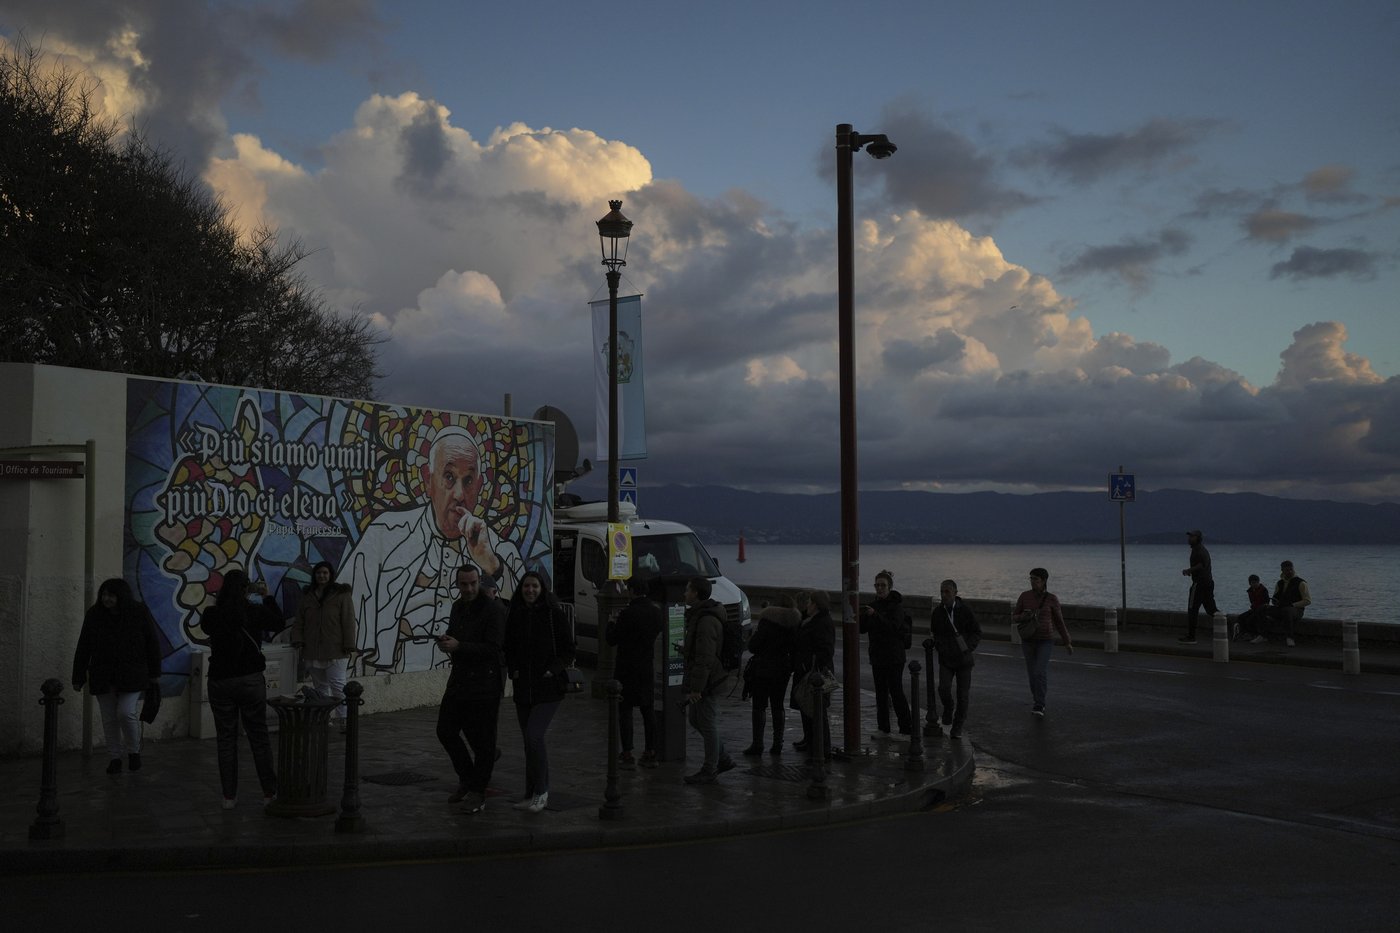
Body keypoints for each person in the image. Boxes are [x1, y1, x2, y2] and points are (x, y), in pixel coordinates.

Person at [344, 426, 526, 674]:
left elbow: (525, 612)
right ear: (428, 480)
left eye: (469, 480)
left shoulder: (499, 550)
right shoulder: (384, 535)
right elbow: (348, 609)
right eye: (449, 477)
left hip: (466, 668)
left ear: (480, 486)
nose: (459, 495)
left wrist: (491, 563)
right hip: (391, 669)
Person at [201, 569, 282, 809]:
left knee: (226, 740)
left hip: (220, 680)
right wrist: (267, 596)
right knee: (259, 737)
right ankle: (269, 793)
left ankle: (229, 797)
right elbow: (277, 621)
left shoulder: (211, 614)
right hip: (249, 680)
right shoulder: (254, 612)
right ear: (247, 589)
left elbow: (207, 629)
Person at [434, 564, 506, 813]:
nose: (469, 588)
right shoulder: (457, 607)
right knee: (445, 730)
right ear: (457, 584)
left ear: (479, 582)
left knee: (484, 741)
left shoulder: (493, 609)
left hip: (485, 683)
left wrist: (460, 646)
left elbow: (494, 649)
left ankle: (477, 790)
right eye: (464, 584)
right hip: (460, 679)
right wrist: (447, 641)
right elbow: (457, 635)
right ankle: (467, 778)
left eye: (473, 583)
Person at [71, 578, 161, 774]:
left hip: (132, 672)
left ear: (121, 596)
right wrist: (78, 675)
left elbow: (152, 642)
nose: (106, 599)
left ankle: (133, 752)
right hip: (104, 673)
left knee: (126, 712)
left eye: (111, 595)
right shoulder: (94, 615)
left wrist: (154, 672)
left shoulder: (138, 612)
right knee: (109, 717)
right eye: (104, 594)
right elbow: (84, 645)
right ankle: (115, 757)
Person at [503, 570, 574, 813]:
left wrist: (552, 670)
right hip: (524, 687)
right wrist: (513, 670)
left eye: (534, 586)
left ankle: (542, 792)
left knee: (534, 736)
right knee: (528, 742)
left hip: (548, 689)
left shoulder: (554, 615)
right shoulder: (515, 614)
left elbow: (568, 649)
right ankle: (530, 792)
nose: (530, 590)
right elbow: (508, 647)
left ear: (542, 588)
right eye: (526, 586)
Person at [681, 576, 736, 784]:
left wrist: (697, 688)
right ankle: (722, 758)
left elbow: (705, 657)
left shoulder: (706, 620)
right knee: (696, 720)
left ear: (696, 593)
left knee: (708, 722)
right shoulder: (700, 615)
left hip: (709, 680)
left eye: (688, 590)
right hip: (707, 678)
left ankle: (710, 768)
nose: (685, 593)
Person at [291, 561, 357, 730]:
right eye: (319, 573)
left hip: (336, 648)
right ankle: (323, 719)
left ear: (330, 575)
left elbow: (348, 621)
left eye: (325, 573)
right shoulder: (308, 595)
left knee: (338, 686)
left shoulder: (341, 594)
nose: (322, 576)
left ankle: (344, 720)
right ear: (315, 575)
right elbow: (300, 621)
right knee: (320, 688)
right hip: (312, 650)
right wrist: (298, 639)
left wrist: (349, 644)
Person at [607, 577, 663, 768]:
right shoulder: (656, 613)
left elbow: (612, 640)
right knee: (648, 711)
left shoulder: (627, 614)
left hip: (626, 668)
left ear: (631, 590)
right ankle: (651, 751)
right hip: (646, 666)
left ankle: (628, 752)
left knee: (625, 711)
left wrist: (611, 623)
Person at [742, 594, 798, 756]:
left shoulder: (767, 621)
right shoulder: (794, 623)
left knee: (759, 705)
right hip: (783, 670)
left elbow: (753, 646)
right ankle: (777, 743)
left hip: (763, 668)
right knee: (778, 705)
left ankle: (758, 744)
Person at [1012, 568, 1073, 718]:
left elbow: (1059, 621)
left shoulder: (1052, 599)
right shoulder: (1024, 596)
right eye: (1031, 578)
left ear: (1044, 581)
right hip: (1028, 640)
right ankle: (1037, 699)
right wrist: (1024, 616)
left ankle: (1040, 704)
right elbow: (1014, 616)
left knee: (1040, 671)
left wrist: (1067, 642)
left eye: (1036, 579)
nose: (1032, 581)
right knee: (1032, 675)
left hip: (1045, 640)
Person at [859, 569, 911, 739]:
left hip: (894, 656)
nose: (879, 588)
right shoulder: (873, 606)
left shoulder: (896, 606)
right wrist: (863, 616)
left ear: (889, 587)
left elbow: (892, 627)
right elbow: (862, 629)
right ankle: (883, 728)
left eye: (883, 585)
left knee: (896, 692)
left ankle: (906, 729)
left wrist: (876, 616)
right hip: (878, 655)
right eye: (877, 585)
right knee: (880, 694)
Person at [930, 579, 981, 740]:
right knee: (943, 688)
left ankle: (957, 726)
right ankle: (948, 707)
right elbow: (935, 633)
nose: (944, 595)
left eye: (947, 592)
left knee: (963, 695)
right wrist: (941, 647)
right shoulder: (938, 613)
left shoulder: (965, 610)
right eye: (942, 592)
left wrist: (968, 647)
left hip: (964, 660)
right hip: (946, 659)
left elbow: (976, 632)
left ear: (955, 593)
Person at [790, 589, 835, 756]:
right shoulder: (812, 620)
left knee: (817, 712)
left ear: (815, 605)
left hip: (815, 674)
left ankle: (821, 748)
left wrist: (810, 666)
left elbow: (825, 650)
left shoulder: (821, 622)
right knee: (807, 708)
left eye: (809, 602)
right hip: (807, 671)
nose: (807, 605)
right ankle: (811, 743)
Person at [1257, 560, 1311, 647]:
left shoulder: (1301, 583)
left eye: (1291, 569)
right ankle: (1263, 635)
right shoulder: (1279, 583)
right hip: (1281, 608)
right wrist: (1274, 602)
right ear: (1282, 570)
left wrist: (1293, 605)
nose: (1289, 572)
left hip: (1297, 610)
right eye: (1287, 570)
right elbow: (1275, 597)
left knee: (1287, 610)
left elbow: (1307, 601)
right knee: (1262, 608)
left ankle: (1290, 637)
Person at [1178, 529, 1218, 645]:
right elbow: (1201, 566)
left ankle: (1191, 637)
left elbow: (1201, 565)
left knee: (1192, 609)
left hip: (1199, 584)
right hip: (1208, 583)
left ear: (1198, 538)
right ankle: (1228, 624)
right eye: (1189, 536)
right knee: (1211, 609)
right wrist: (1192, 571)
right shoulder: (1198, 549)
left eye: (1192, 536)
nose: (1189, 538)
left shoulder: (1199, 550)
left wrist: (1189, 570)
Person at [1234, 574, 1271, 641]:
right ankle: (1243, 633)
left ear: (1259, 582)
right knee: (1241, 617)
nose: (1255, 584)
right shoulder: (1250, 591)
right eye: (1253, 583)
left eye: (1256, 582)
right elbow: (1252, 602)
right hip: (1254, 608)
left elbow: (1266, 602)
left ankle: (1253, 634)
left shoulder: (1263, 590)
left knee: (1250, 619)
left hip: (1262, 610)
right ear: (1250, 583)